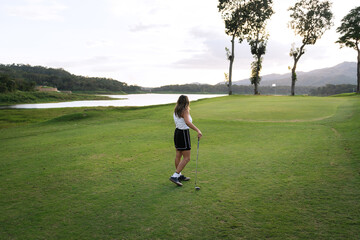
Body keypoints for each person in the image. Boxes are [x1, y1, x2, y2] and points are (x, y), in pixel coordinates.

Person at [169, 95, 202, 186]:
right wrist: (198, 130)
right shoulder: (185, 110)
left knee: (178, 155)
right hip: (183, 134)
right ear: (187, 102)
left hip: (177, 133)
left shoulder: (176, 110)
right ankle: (175, 176)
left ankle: (179, 175)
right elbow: (187, 122)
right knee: (187, 158)